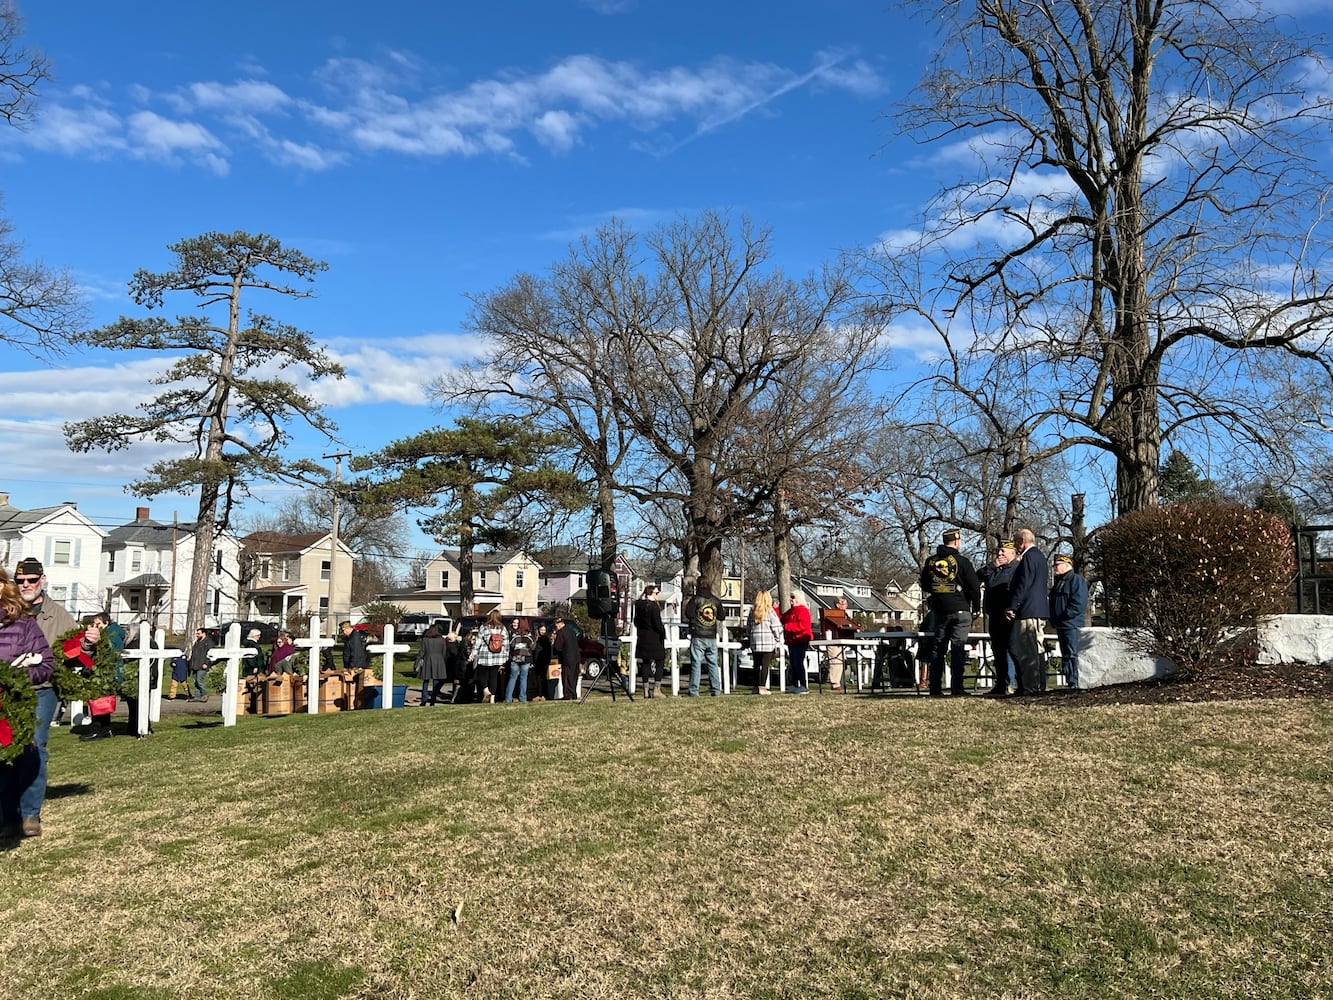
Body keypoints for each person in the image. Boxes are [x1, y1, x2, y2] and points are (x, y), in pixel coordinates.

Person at [0, 565, 56, 838]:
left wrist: (19, 677)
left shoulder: (23, 623)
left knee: (28, 752)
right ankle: (7, 818)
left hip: (23, 699)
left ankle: (28, 814)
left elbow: (46, 664)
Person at [920, 527, 982, 697]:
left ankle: (935, 688)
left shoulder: (931, 562)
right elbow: (974, 586)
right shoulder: (962, 562)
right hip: (961, 610)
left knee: (938, 649)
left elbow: (924, 583)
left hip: (940, 611)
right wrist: (976, 607)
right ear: (956, 541)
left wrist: (937, 592)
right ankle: (957, 687)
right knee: (957, 648)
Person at [1006, 527, 1051, 694]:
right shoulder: (1039, 557)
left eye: (1017, 542)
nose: (1016, 546)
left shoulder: (1028, 558)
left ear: (1022, 542)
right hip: (1038, 610)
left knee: (1027, 651)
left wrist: (1013, 605)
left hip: (1028, 611)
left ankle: (1030, 686)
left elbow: (1023, 584)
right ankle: (1039, 684)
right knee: (1037, 649)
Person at [979, 541, 1017, 697]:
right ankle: (1000, 683)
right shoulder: (995, 569)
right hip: (993, 615)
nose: (1000, 554)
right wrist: (992, 566)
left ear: (1013, 553)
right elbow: (978, 576)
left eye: (1003, 551)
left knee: (1010, 651)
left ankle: (1009, 683)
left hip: (1007, 616)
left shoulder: (1016, 569)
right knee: (998, 651)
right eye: (998, 551)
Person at [80, 611, 127, 740]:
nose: (95, 626)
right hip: (101, 671)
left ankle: (98, 728)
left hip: (108, 672)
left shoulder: (112, 636)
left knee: (100, 701)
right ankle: (104, 728)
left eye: (98, 624)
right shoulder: (108, 634)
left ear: (106, 623)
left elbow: (109, 652)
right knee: (100, 701)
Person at [1049, 553, 1089, 690]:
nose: (1054, 567)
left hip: (1072, 625)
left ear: (1067, 565)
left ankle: (1076, 682)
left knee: (1072, 654)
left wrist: (1065, 616)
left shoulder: (1076, 581)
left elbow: (1078, 603)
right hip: (1062, 625)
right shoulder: (1059, 582)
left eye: (1057, 565)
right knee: (1066, 654)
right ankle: (1070, 681)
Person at [683, 579, 723, 697]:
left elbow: (688, 614)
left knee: (696, 663)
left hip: (698, 635)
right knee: (713, 663)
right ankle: (716, 689)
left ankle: (694, 690)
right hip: (711, 636)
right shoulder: (715, 600)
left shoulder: (695, 599)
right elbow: (721, 616)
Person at [821, 595, 861, 692]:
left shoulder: (845, 615)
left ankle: (839, 683)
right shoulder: (832, 614)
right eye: (844, 604)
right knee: (836, 661)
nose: (846, 606)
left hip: (843, 641)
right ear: (838, 605)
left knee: (841, 662)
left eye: (846, 604)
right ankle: (835, 684)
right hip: (833, 641)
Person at [633, 585, 667, 699]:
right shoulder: (654, 607)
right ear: (652, 593)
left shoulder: (638, 606)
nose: (657, 595)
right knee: (660, 662)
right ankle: (656, 689)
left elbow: (636, 622)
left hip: (643, 638)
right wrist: (663, 632)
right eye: (656, 593)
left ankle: (646, 690)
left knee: (645, 663)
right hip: (655, 639)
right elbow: (658, 624)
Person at [747, 589, 783, 695]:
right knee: (765, 665)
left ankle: (755, 687)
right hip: (767, 643)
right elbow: (777, 628)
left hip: (755, 642)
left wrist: (749, 637)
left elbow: (748, 628)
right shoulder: (770, 612)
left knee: (756, 665)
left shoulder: (752, 612)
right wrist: (777, 639)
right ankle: (762, 687)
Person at [469, 610, 508, 704]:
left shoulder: (484, 627)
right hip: (498, 657)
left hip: (485, 656)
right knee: (493, 677)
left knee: (481, 675)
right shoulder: (503, 628)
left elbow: (477, 642)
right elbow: (506, 644)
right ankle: (492, 699)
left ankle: (486, 691)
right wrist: (506, 656)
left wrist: (473, 653)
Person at [781, 590, 813, 694]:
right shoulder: (790, 612)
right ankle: (794, 684)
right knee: (793, 663)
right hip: (792, 641)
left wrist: (787, 627)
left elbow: (803, 626)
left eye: (793, 597)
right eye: (790, 597)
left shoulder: (803, 610)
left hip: (801, 640)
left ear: (798, 598)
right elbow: (782, 618)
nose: (791, 599)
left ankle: (803, 685)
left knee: (798, 662)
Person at [415, 625, 449, 705]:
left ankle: (424, 699)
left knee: (425, 681)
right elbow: (444, 652)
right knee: (436, 681)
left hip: (428, 660)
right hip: (439, 660)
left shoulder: (425, 640)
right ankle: (433, 699)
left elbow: (422, 652)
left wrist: (417, 662)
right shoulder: (442, 640)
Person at [551, 617, 581, 701]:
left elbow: (558, 647)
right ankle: (573, 694)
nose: (556, 626)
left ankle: (568, 695)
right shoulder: (571, 631)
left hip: (567, 658)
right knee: (574, 676)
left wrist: (554, 641)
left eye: (556, 625)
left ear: (559, 624)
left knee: (567, 677)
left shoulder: (561, 633)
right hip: (576, 657)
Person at [504, 619, 533, 703]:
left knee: (512, 678)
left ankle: (508, 698)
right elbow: (533, 646)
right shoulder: (529, 636)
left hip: (515, 659)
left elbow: (511, 645)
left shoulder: (515, 636)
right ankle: (523, 698)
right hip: (526, 659)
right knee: (523, 678)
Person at [187, 627, 213, 701]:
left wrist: (207, 663)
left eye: (198, 633)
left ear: (203, 633)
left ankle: (205, 694)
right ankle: (197, 696)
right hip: (195, 664)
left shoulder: (208, 643)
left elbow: (211, 654)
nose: (197, 635)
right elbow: (193, 653)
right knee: (195, 681)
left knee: (199, 680)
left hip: (203, 665)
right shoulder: (197, 642)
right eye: (196, 633)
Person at [533, 623, 555, 702]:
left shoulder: (545, 639)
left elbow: (546, 651)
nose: (543, 631)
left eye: (544, 630)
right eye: (541, 630)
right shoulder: (536, 638)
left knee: (542, 679)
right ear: (538, 630)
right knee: (539, 679)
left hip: (543, 661)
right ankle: (540, 694)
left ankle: (542, 694)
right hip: (538, 661)